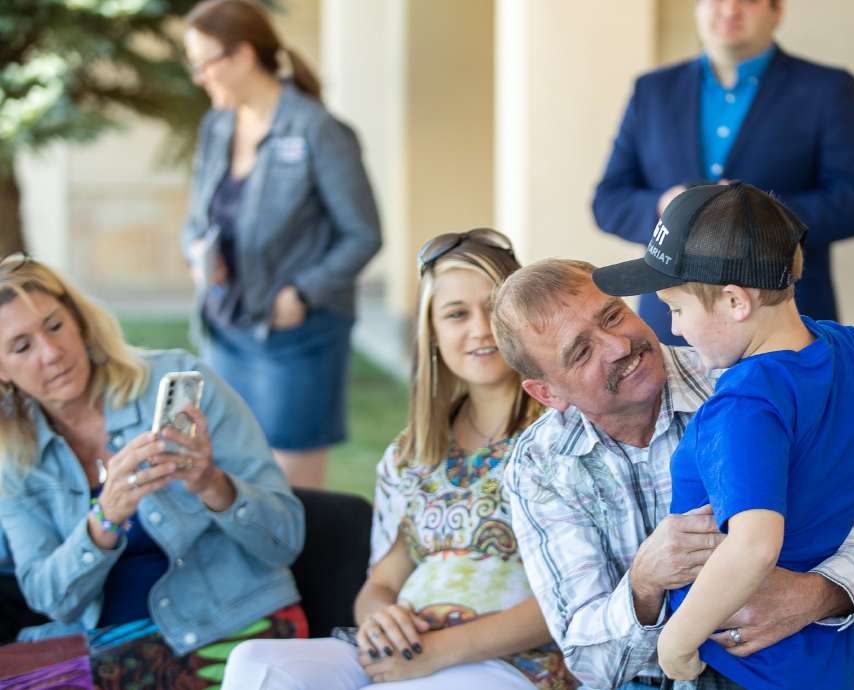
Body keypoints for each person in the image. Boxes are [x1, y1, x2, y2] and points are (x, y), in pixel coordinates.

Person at [587, 184, 854, 689]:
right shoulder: (852, 350)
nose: (676, 328)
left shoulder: (744, 402)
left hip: (739, 668)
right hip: (826, 669)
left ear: (735, 301)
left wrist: (676, 642)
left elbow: (754, 544)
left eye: (677, 308)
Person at [490, 258, 854, 690]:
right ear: (547, 393)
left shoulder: (746, 378)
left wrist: (817, 595)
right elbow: (592, 664)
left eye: (612, 316)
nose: (618, 346)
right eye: (581, 351)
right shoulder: (539, 465)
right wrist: (644, 584)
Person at [222, 230, 577, 690]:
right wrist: (380, 620)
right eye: (456, 314)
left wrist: (437, 652)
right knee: (255, 665)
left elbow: (575, 594)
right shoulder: (413, 453)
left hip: (513, 663)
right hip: (409, 651)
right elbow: (382, 584)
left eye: (493, 309)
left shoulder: (563, 433)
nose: (479, 328)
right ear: (432, 333)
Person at [0, 253, 305, 689]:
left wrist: (212, 484)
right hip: (105, 645)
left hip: (229, 630)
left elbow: (285, 539)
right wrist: (105, 519)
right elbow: (52, 600)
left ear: (77, 320)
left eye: (54, 325)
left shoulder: (180, 379)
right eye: (22, 347)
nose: (51, 353)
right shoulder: (15, 459)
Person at [591, 0, 854, 345]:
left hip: (784, 322)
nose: (730, 10)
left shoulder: (827, 89)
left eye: (749, 0)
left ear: (777, 11)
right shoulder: (651, 91)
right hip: (670, 323)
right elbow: (608, 201)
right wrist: (665, 205)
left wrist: (752, 214)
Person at [181, 0, 382, 488]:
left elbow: (363, 234)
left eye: (205, 63)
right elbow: (195, 221)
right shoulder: (216, 127)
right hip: (226, 330)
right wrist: (197, 257)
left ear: (244, 55)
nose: (199, 77)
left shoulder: (318, 130)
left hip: (297, 335)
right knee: (231, 480)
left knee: (293, 492)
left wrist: (302, 294)